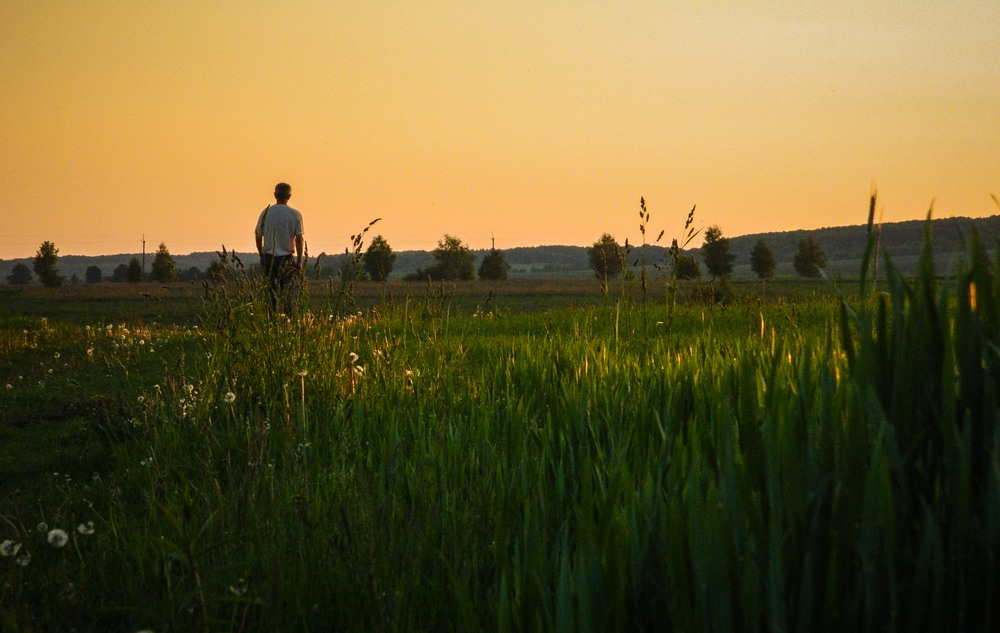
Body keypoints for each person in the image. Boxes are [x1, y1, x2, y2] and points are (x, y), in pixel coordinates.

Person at [254, 182, 305, 311]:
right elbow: (299, 239)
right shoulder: (295, 214)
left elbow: (258, 235)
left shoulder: (266, 212)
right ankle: (287, 322)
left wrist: (261, 255)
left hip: (269, 258)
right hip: (287, 259)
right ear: (289, 196)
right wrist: (299, 261)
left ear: (275, 195)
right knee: (287, 294)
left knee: (270, 294)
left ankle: (271, 321)